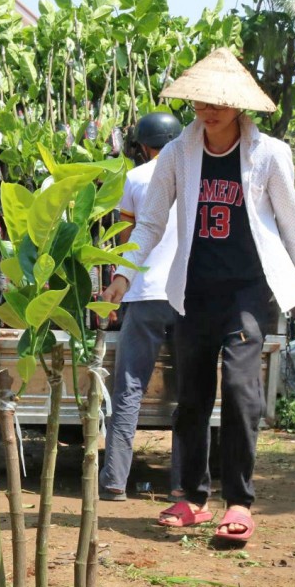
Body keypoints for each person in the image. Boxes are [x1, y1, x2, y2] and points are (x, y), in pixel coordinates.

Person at [101, 49, 295, 543]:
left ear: (238, 105)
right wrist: (122, 277)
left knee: (239, 389)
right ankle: (192, 498)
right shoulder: (177, 154)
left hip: (248, 292)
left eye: (217, 102)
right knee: (191, 396)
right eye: (199, 102)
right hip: (192, 290)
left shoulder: (269, 154)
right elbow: (149, 223)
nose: (207, 110)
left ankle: (238, 500)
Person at [99, 112, 183, 502]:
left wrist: (119, 283)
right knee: (188, 393)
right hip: (186, 297)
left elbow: (129, 241)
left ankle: (115, 481)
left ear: (143, 146)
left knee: (129, 389)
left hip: (144, 295)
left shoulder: (134, 179)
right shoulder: (194, 177)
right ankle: (182, 483)